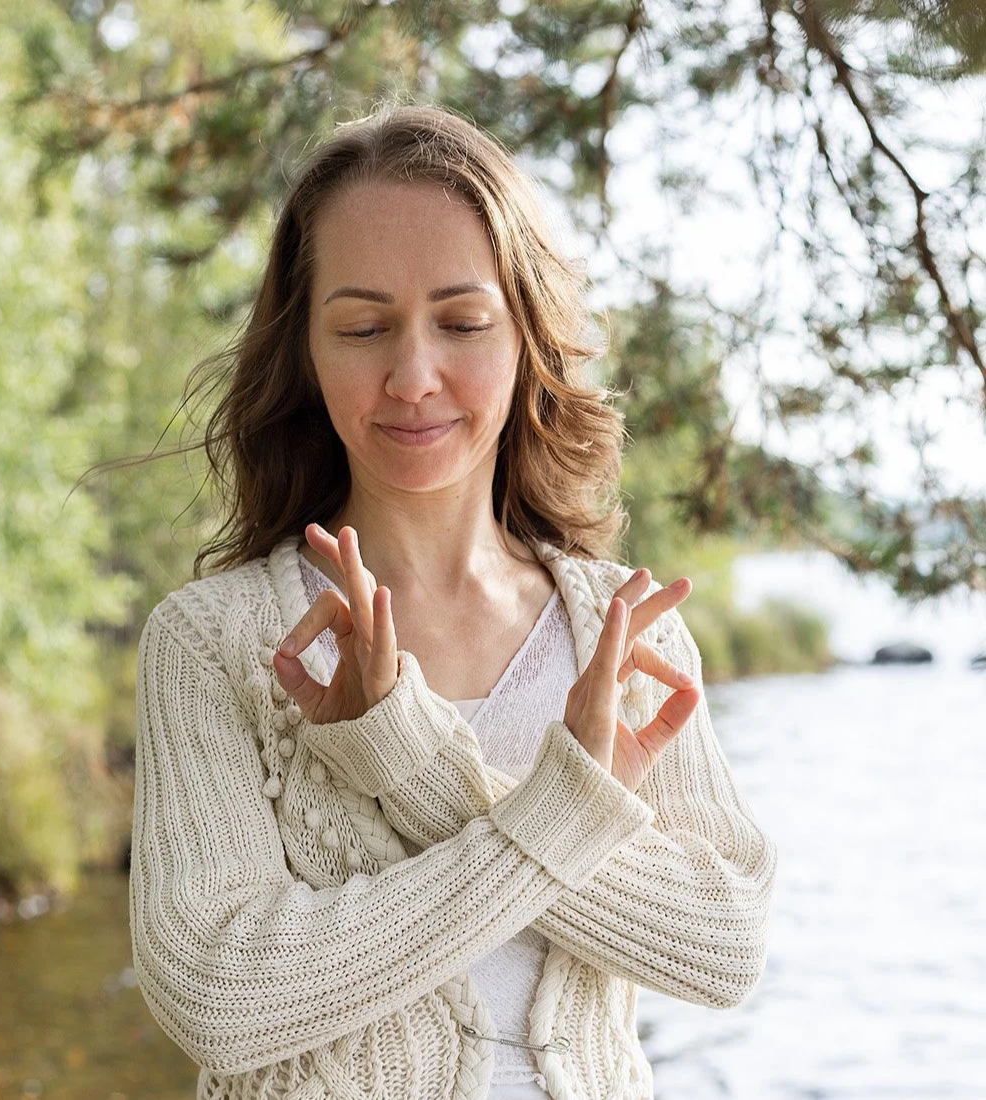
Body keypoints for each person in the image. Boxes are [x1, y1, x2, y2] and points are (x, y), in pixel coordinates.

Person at [129, 102, 777, 1100]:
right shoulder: (215, 642)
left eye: (462, 322)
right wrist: (565, 815)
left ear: (526, 334)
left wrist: (411, 762)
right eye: (362, 325)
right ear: (305, 345)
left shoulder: (622, 629)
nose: (412, 375)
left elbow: (723, 947)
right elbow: (220, 994)